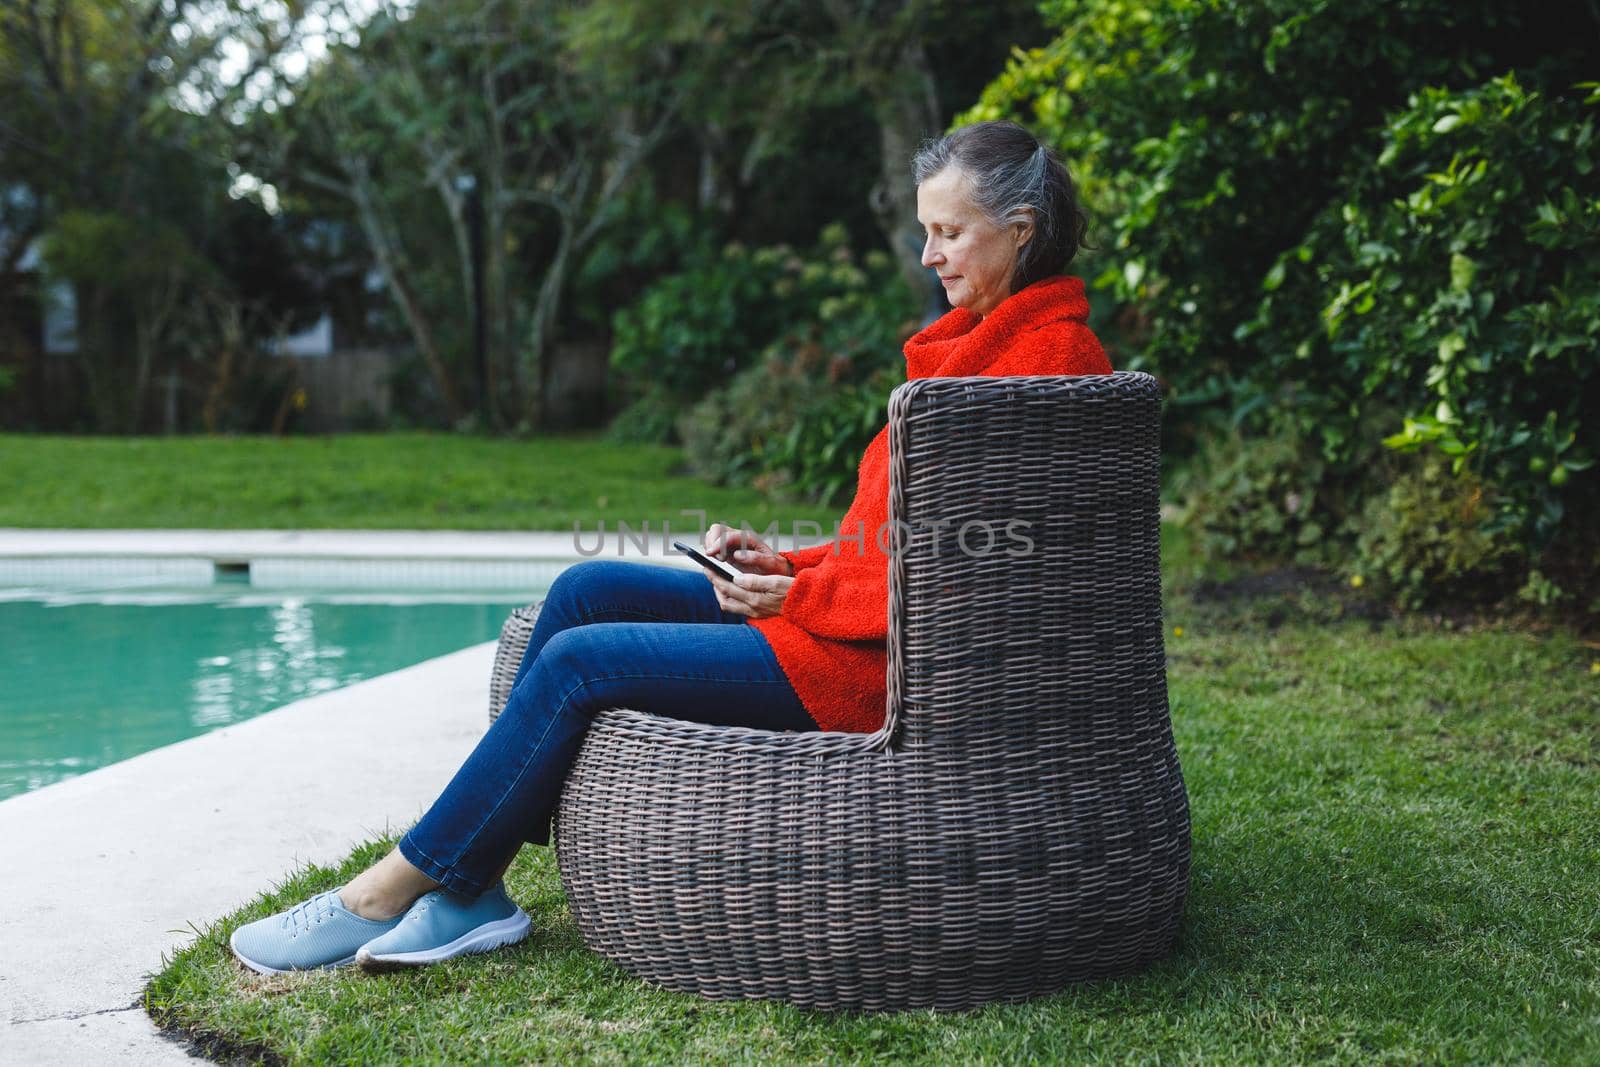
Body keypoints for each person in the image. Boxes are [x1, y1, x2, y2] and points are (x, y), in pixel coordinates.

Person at [229, 119, 1114, 975]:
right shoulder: (977, 355)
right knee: (584, 589)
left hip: (866, 671)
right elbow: (898, 544)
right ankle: (476, 887)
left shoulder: (1041, 371)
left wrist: (797, 601)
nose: (930, 256)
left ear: (1021, 231)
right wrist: (787, 566)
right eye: (926, 232)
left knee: (580, 661)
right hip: (837, 625)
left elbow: (976, 580)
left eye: (949, 232)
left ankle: (397, 888)